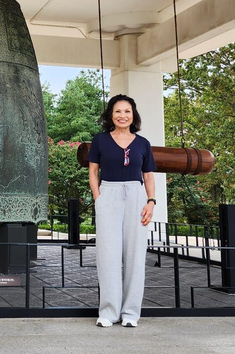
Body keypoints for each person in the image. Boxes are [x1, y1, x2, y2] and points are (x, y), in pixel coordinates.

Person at [87, 94, 156, 328]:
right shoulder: (100, 141)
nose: (122, 115)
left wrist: (151, 201)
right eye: (118, 111)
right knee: (108, 255)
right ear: (110, 115)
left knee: (135, 255)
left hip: (137, 197)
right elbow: (93, 172)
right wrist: (99, 199)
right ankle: (108, 312)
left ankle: (130, 313)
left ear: (133, 115)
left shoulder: (143, 143)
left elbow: (148, 175)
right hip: (109, 193)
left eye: (127, 111)